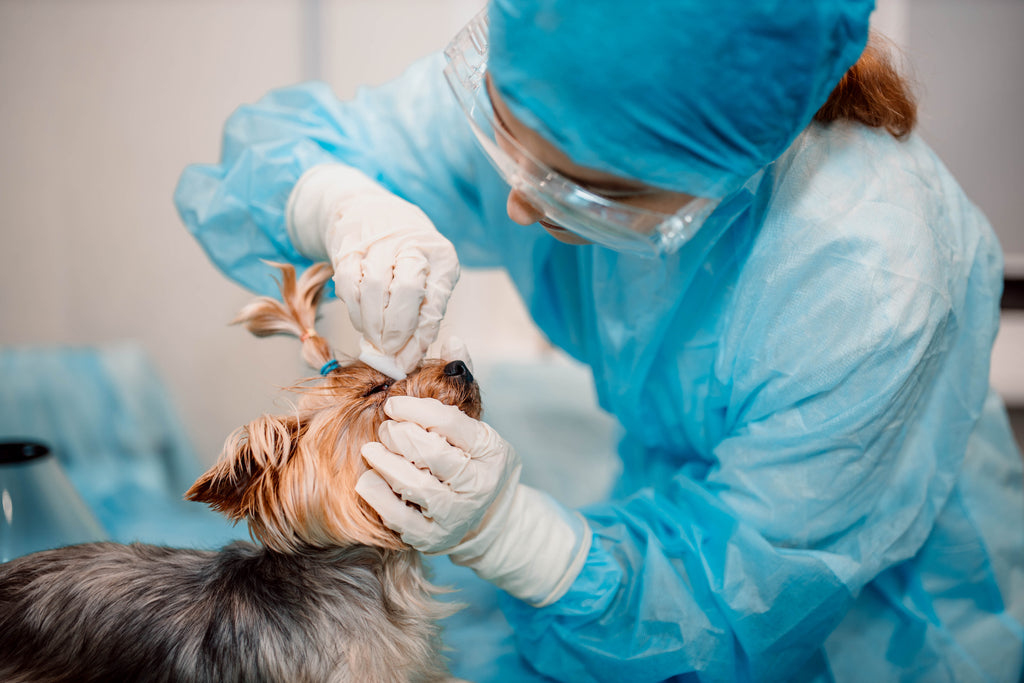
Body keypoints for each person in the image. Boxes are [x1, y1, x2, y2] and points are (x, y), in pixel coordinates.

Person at [174, 0, 1024, 680]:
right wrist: (340, 203)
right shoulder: (568, 71)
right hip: (667, 501)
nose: (517, 206)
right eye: (509, 138)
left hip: (865, 599)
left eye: (586, 189)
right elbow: (278, 152)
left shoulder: (872, 279)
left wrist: (523, 539)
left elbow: (741, 599)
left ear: (717, 181)